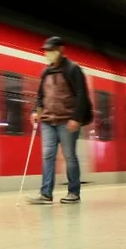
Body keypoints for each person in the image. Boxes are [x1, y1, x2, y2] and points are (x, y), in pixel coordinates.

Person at [28, 36, 91, 205]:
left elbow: (82, 96)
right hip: (48, 120)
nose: (47, 54)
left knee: (69, 156)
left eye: (50, 50)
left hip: (67, 120)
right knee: (48, 156)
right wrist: (35, 111)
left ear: (61, 50)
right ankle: (46, 194)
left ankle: (74, 192)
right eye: (46, 51)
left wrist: (76, 118)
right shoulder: (45, 72)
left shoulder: (73, 69)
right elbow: (40, 96)